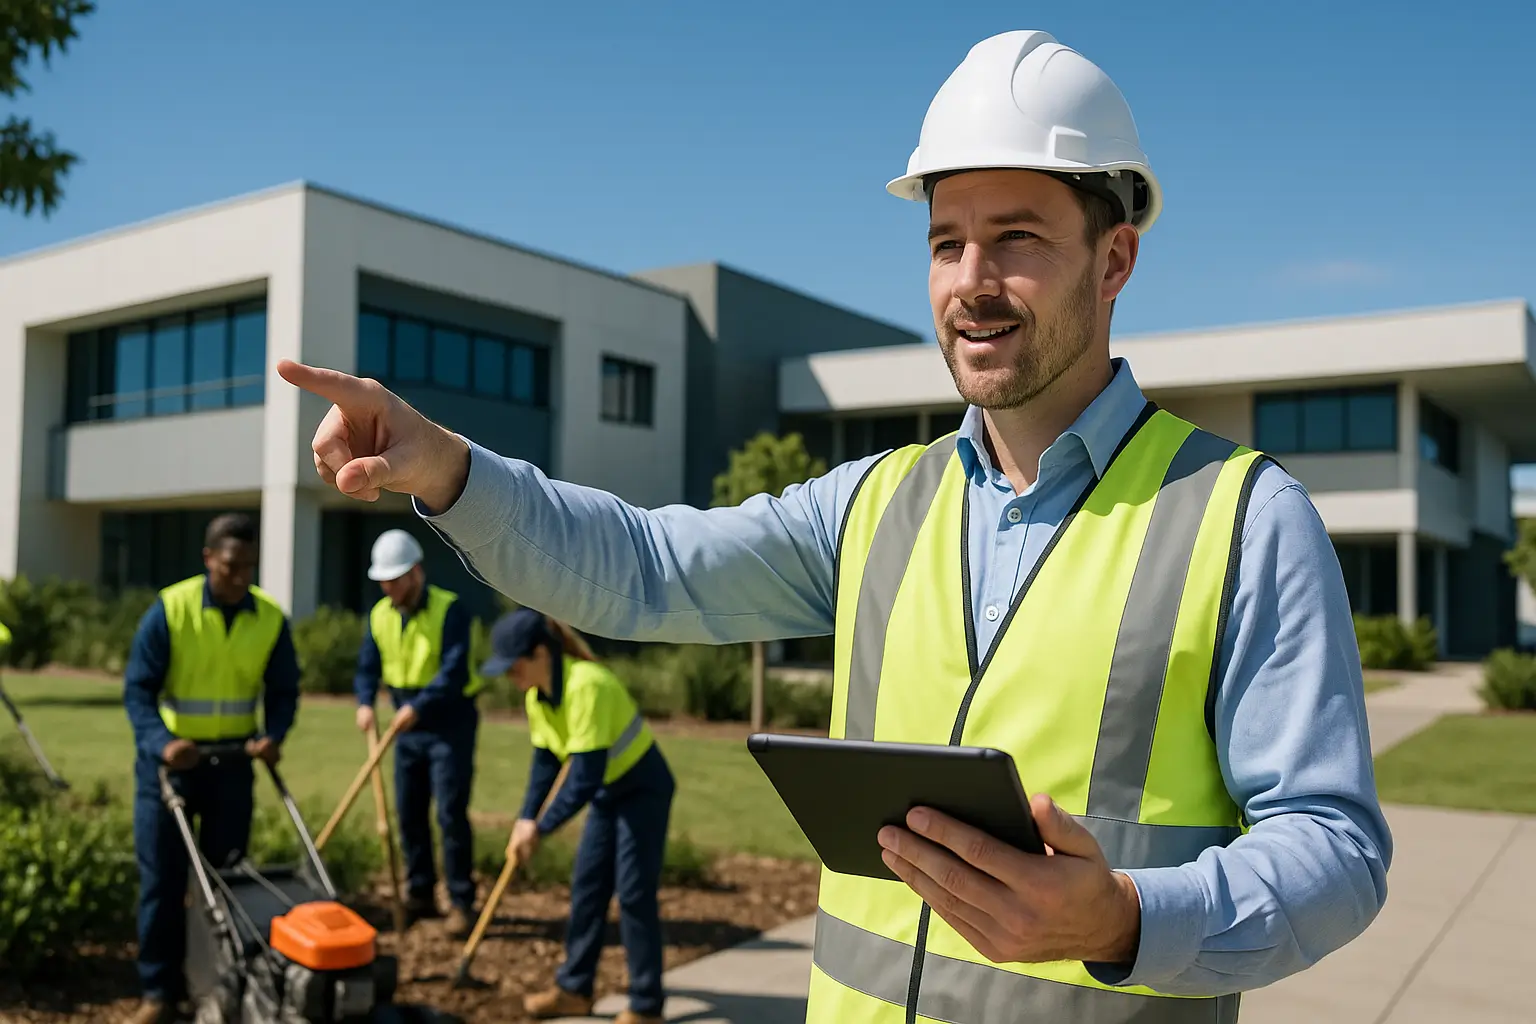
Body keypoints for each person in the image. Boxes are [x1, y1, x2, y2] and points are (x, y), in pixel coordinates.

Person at [277, 27, 1393, 1022]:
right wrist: (450, 469)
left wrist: (1122, 918)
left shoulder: (1243, 517)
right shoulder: (873, 503)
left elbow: (1335, 852)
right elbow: (644, 568)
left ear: (1115, 259)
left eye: (1017, 238)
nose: (973, 281)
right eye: (946, 241)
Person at [121, 512, 301, 1024]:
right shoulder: (170, 610)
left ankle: (221, 983)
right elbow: (138, 690)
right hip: (171, 768)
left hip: (231, 767)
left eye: (249, 566)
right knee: (162, 880)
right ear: (208, 560)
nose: (241, 576)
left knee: (225, 879)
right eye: (230, 566)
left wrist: (274, 735)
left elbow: (284, 689)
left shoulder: (268, 617)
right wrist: (162, 742)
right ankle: (158, 992)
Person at [480, 608, 675, 1024]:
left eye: (513, 666)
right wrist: (524, 817)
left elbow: (583, 778)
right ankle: (574, 990)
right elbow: (546, 764)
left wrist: (542, 828)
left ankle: (646, 1005)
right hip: (609, 793)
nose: (510, 677)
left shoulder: (589, 685)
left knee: (634, 892)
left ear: (539, 654)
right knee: (587, 886)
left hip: (643, 790)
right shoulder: (538, 698)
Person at [353, 527, 480, 938]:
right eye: (383, 581)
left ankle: (461, 902)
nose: (388, 587)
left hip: (449, 724)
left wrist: (418, 707)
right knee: (408, 813)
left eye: (394, 579)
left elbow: (454, 672)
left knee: (449, 813)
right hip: (404, 728)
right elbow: (369, 666)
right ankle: (420, 892)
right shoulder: (380, 615)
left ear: (416, 573)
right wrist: (364, 703)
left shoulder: (450, 610)